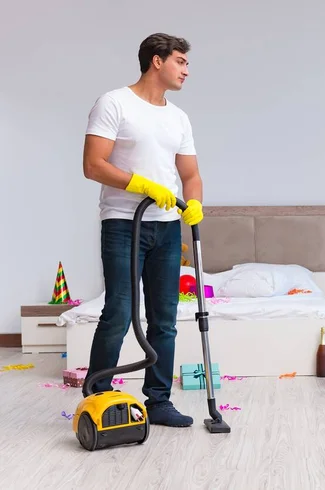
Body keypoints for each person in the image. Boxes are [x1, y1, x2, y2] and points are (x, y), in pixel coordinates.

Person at [81, 33, 203, 427]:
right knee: (119, 310)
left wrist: (195, 202)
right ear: (157, 61)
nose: (187, 69)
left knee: (164, 318)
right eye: (181, 61)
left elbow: (190, 173)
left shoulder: (178, 117)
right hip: (122, 223)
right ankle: (98, 396)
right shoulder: (114, 103)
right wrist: (141, 184)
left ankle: (158, 401)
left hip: (166, 229)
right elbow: (93, 165)